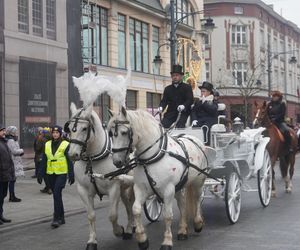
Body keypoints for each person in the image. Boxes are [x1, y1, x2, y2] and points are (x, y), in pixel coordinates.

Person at [37, 125, 74, 228]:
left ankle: (56, 218)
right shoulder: (47, 144)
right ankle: (62, 217)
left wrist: (71, 174)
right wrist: (40, 174)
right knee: (57, 196)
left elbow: (69, 160)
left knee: (56, 194)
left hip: (61, 173)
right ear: (51, 133)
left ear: (60, 134)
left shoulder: (66, 144)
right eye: (53, 133)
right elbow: (44, 159)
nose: (55, 134)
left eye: (57, 133)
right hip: (50, 173)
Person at [0, 125, 14, 224]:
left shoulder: (4, 142)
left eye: (4, 130)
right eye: (2, 131)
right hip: (1, 174)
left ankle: (0, 215)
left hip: (5, 174)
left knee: (3, 196)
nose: (4, 133)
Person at [6, 126, 24, 202]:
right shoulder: (10, 140)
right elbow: (14, 151)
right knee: (12, 180)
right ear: (12, 132)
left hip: (15, 161)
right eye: (15, 131)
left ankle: (12, 195)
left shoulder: (13, 139)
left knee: (13, 180)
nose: (16, 132)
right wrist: (21, 150)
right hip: (13, 162)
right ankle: (12, 196)